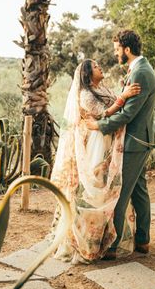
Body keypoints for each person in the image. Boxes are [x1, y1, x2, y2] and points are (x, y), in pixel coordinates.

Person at [50, 58, 141, 263]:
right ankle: (88, 240)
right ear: (88, 74)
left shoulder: (102, 89)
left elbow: (110, 108)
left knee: (109, 185)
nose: (100, 67)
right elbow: (103, 114)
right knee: (96, 185)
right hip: (95, 143)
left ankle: (106, 236)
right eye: (96, 66)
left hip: (106, 138)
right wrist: (124, 97)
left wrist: (122, 94)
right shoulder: (85, 95)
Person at [86, 29, 155, 261]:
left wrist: (100, 126)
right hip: (141, 139)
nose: (115, 53)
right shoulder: (139, 70)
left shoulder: (141, 73)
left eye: (117, 49)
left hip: (134, 141)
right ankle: (143, 241)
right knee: (138, 191)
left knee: (120, 191)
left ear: (127, 49)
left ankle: (113, 246)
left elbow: (127, 115)